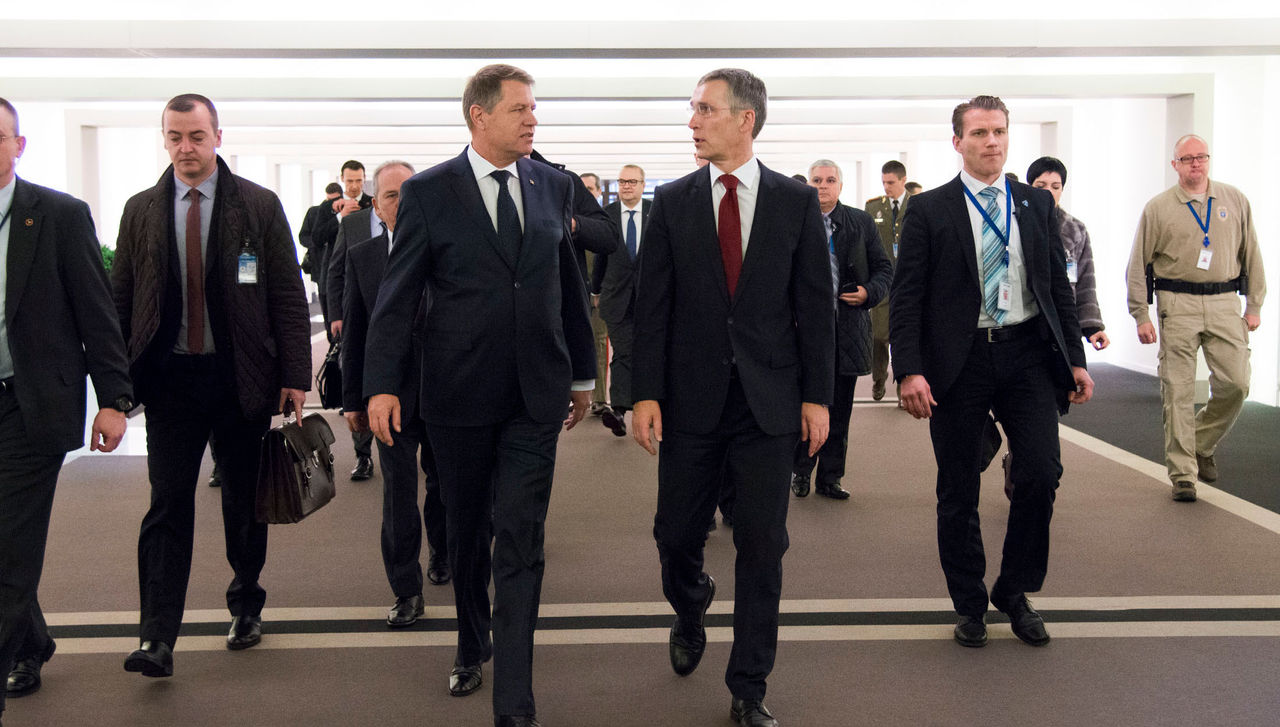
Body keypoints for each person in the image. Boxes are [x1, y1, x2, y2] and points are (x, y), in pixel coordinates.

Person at [364, 64, 595, 727]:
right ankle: (471, 638)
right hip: (457, 394)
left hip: (535, 395)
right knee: (468, 534)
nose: (533, 120)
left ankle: (513, 700)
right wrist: (380, 382)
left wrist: (583, 375)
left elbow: (566, 285)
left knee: (521, 538)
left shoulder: (554, 185)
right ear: (479, 116)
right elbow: (398, 295)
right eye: (521, 109)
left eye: (534, 109)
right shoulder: (430, 192)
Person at [632, 68, 833, 727]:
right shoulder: (673, 201)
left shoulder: (795, 202)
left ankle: (749, 684)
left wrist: (817, 397)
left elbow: (815, 308)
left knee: (762, 541)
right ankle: (691, 602)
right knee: (675, 532)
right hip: (690, 400)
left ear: (745, 120)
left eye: (705, 109)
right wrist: (645, 394)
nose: (693, 120)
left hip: (768, 401)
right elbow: (652, 307)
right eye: (694, 109)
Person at [113, 94, 311, 678]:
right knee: (168, 502)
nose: (185, 148)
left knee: (242, 502)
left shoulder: (257, 204)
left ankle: (246, 600)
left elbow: (286, 296)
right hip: (171, 381)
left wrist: (295, 377)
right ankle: (156, 637)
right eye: (175, 137)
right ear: (165, 139)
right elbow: (120, 298)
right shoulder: (142, 209)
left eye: (196, 136)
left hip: (241, 378)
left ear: (217, 137)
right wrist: (116, 386)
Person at [890, 95, 1093, 650]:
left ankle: (1015, 589)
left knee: (1040, 473)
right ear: (957, 141)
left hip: (1026, 351)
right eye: (979, 132)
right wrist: (908, 369)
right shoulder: (930, 209)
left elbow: (1057, 289)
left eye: (999, 131)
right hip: (960, 359)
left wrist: (1074, 358)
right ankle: (969, 603)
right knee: (958, 486)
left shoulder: (1034, 204)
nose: (992, 142)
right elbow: (907, 299)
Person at [0, 98, 132, 723]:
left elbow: (95, 313)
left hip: (29, 406)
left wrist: (113, 400)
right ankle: (29, 643)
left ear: (18, 146)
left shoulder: (55, 215)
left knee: (10, 542)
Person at [340, 160, 450, 628]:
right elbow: (357, 330)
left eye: (409, 193)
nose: (400, 203)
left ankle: (443, 554)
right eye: (390, 196)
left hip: (449, 392)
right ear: (376, 205)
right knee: (398, 495)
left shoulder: (450, 246)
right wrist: (352, 401)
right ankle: (405, 589)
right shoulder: (363, 256)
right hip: (392, 398)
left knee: (446, 486)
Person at [1125, 134, 1265, 502]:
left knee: (1237, 384)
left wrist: (1255, 305)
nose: (1195, 164)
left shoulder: (1234, 200)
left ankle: (1200, 442)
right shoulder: (1158, 208)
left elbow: (1252, 254)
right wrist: (1140, 313)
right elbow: (1137, 264)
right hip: (1177, 303)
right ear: (1175, 165)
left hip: (1223, 302)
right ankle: (1183, 473)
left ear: (1208, 159)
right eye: (1187, 159)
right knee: (1179, 390)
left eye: (1201, 157)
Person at [791, 159, 893, 500]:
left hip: (848, 328)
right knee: (807, 404)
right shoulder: (795, 220)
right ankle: (801, 472)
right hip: (803, 332)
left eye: (829, 179)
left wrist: (868, 293)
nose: (822, 185)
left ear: (840, 185)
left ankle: (830, 477)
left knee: (840, 410)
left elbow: (883, 269)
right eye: (816, 179)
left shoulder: (860, 221)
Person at [326, 172, 386, 481]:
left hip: (396, 320)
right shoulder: (353, 223)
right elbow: (335, 271)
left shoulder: (417, 222)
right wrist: (336, 314)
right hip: (358, 314)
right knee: (359, 381)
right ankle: (363, 456)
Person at [591, 164, 650, 437]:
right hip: (616, 298)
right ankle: (619, 409)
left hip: (651, 299)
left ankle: (647, 404)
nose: (627, 186)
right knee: (623, 351)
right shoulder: (607, 215)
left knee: (648, 352)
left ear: (642, 185)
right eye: (622, 181)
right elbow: (600, 257)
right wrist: (595, 290)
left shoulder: (656, 212)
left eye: (632, 181)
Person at [865, 160, 911, 403]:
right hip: (882, 279)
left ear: (903, 181)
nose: (886, 187)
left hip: (908, 280)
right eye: (883, 182)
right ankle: (878, 378)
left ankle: (904, 386)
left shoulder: (918, 205)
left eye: (891, 182)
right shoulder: (873, 208)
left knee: (904, 335)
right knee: (879, 335)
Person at [311, 160, 371, 337]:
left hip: (362, 276)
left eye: (358, 181)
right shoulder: (328, 206)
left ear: (364, 179)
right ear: (342, 179)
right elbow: (316, 238)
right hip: (333, 275)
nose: (354, 186)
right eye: (350, 181)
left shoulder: (372, 204)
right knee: (335, 336)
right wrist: (340, 217)